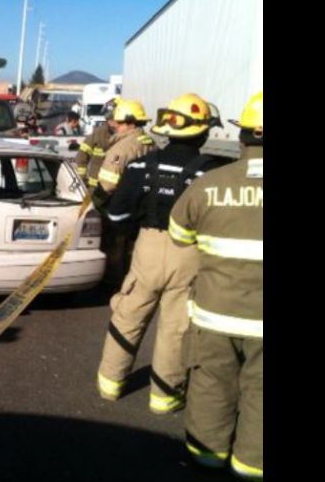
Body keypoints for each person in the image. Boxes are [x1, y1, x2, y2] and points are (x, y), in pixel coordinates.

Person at [96, 93, 226, 414]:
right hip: (191, 254)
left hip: (148, 248)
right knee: (176, 328)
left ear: (166, 129)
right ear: (205, 132)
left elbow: (117, 216)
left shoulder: (140, 166)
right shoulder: (212, 173)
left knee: (128, 316)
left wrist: (138, 231)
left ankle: (110, 384)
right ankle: (165, 398)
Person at [169, 91, 263, 480]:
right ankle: (252, 466)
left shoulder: (209, 183)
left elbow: (179, 234)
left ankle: (207, 460)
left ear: (242, 138)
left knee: (210, 385)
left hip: (215, 313)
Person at [92, 98, 157, 290]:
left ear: (130, 123)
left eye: (119, 123)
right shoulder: (150, 143)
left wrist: (93, 203)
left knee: (114, 245)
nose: (115, 127)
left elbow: (108, 184)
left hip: (119, 207)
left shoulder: (122, 148)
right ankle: (132, 282)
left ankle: (112, 285)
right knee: (133, 248)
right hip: (142, 207)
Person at [75, 98, 118, 187]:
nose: (111, 121)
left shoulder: (127, 135)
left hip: (118, 188)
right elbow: (82, 155)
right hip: (96, 187)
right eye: (109, 118)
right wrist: (82, 178)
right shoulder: (99, 133)